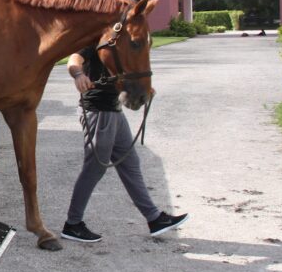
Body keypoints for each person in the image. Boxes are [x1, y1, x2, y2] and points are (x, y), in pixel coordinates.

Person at [61, 45, 188, 243]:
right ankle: (73, 224)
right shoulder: (95, 41)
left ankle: (154, 219)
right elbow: (73, 59)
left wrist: (142, 89)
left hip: (115, 112)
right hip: (98, 112)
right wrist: (78, 74)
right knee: (94, 169)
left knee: (130, 163)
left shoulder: (117, 44)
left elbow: (124, 78)